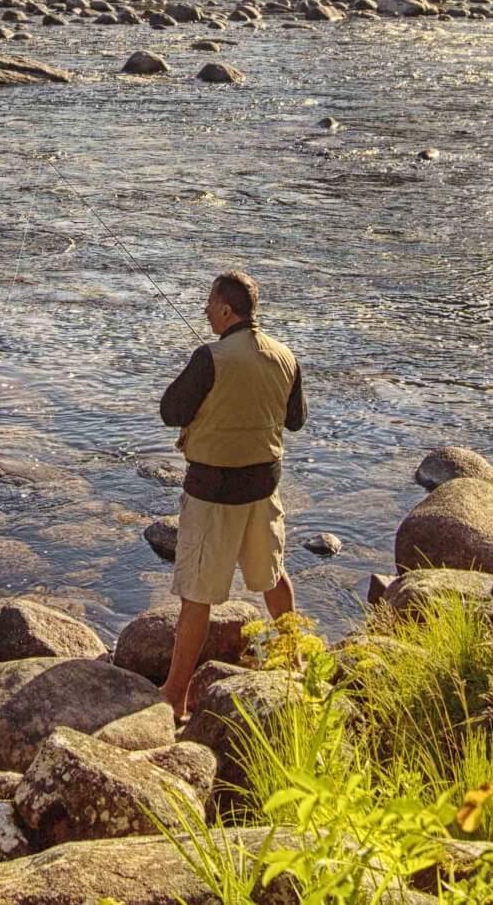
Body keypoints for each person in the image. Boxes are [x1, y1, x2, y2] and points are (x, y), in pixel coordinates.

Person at [155, 269, 305, 718]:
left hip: (213, 492)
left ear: (226, 309)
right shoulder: (286, 356)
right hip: (263, 488)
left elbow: (170, 411)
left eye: (209, 303)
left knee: (197, 594)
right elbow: (295, 421)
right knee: (273, 575)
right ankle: (295, 662)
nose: (204, 310)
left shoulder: (209, 358)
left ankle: (176, 696)